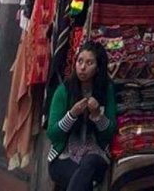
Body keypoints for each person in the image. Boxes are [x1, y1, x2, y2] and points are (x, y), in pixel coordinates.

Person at [46, 42, 117, 191]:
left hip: (95, 154)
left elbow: (109, 134)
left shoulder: (106, 90)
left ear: (98, 68)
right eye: (80, 61)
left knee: (88, 165)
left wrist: (98, 115)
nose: (82, 67)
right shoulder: (64, 91)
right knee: (83, 181)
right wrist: (71, 115)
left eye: (89, 63)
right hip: (64, 155)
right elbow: (52, 133)